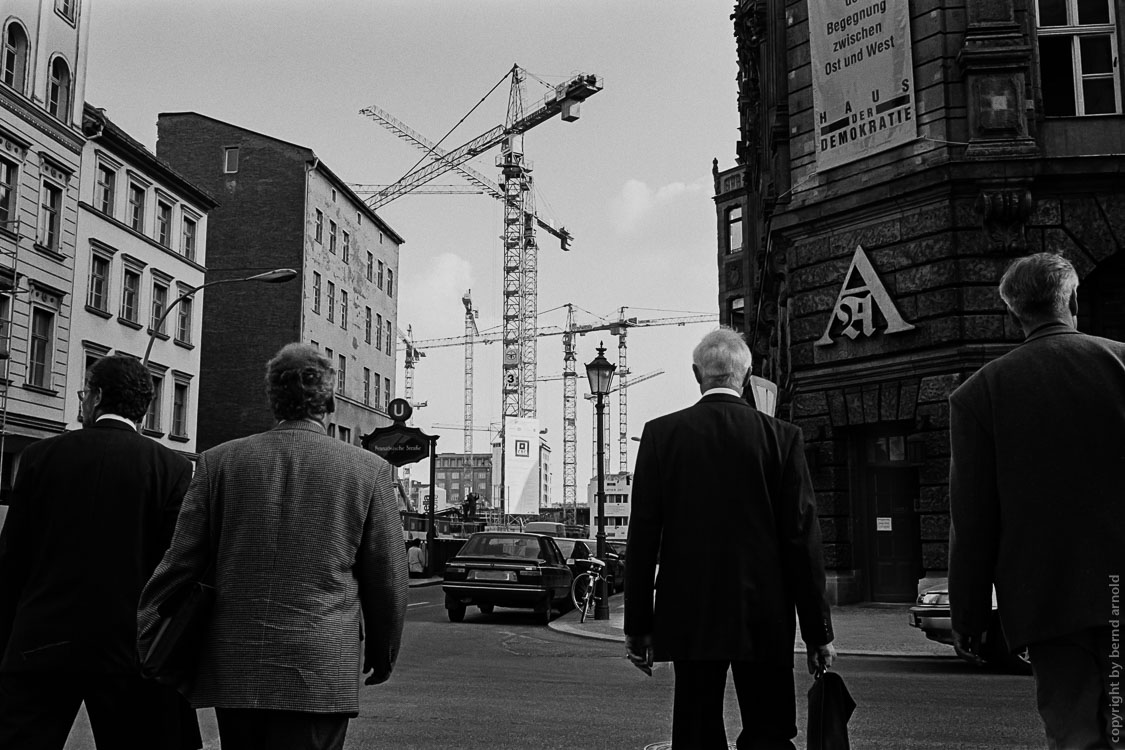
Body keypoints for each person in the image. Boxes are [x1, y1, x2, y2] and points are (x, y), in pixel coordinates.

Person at [138, 343, 408, 750]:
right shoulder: (367, 471)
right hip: (319, 666)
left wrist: (148, 636)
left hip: (236, 666)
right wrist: (384, 651)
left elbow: (178, 565)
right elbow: (387, 577)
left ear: (271, 397)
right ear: (330, 401)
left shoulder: (219, 463)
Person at [625, 328, 836, 750]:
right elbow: (801, 541)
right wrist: (818, 632)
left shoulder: (660, 436)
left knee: (696, 728)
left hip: (690, 612)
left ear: (696, 374)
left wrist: (638, 628)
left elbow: (642, 540)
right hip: (764, 614)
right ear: (746, 375)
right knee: (769, 731)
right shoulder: (782, 438)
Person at [949, 252, 1125, 750]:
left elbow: (973, 518)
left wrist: (970, 616)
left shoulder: (979, 394)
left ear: (1015, 312)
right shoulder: (1120, 363)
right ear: (1071, 299)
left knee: (1074, 734)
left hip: (1046, 600)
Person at [0, 354, 200, 750]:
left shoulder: (42, 457)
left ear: (98, 397)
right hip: (129, 648)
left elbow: (13, 559)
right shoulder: (170, 468)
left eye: (84, 392)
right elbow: (172, 566)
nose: (81, 401)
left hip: (42, 640)